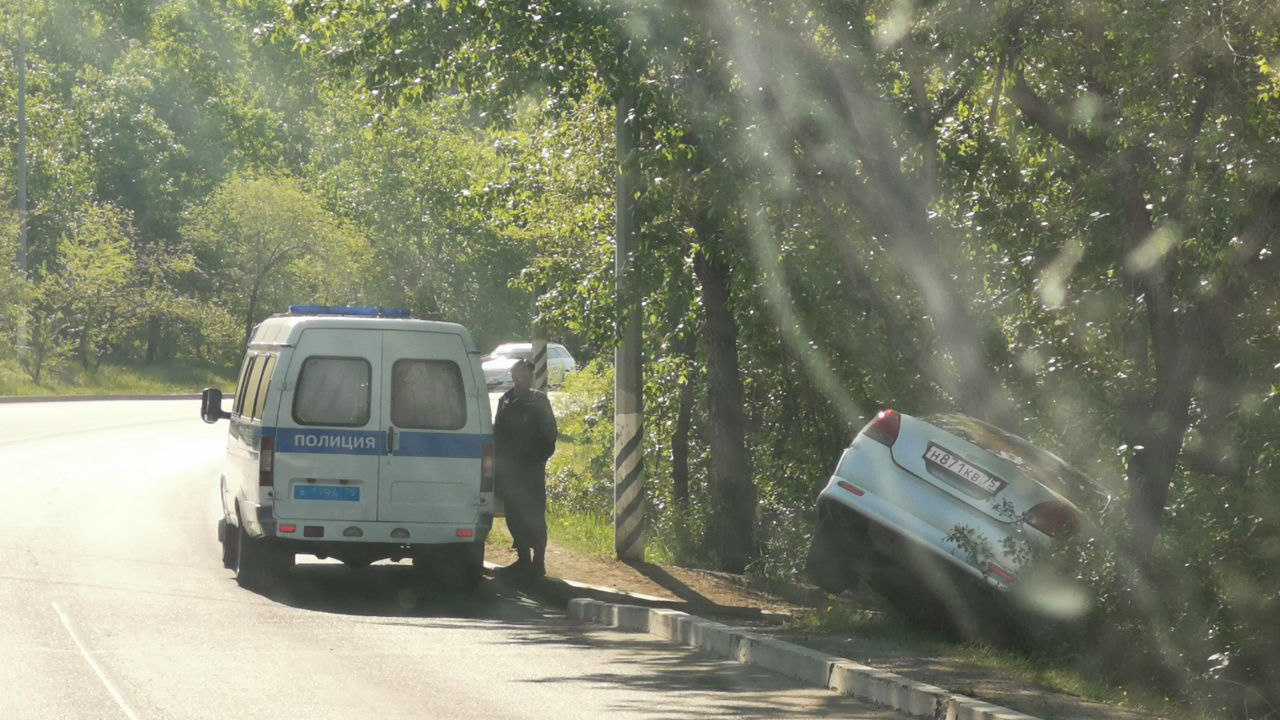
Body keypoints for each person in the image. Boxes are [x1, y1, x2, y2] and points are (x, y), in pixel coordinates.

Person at [493, 358, 557, 578]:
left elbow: (550, 435)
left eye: (527, 376)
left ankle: (539, 562)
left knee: (535, 515)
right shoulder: (506, 401)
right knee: (514, 515)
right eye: (520, 375)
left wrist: (538, 459)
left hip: (532, 470)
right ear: (513, 376)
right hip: (511, 471)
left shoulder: (539, 401)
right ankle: (523, 560)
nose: (523, 380)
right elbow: (498, 434)